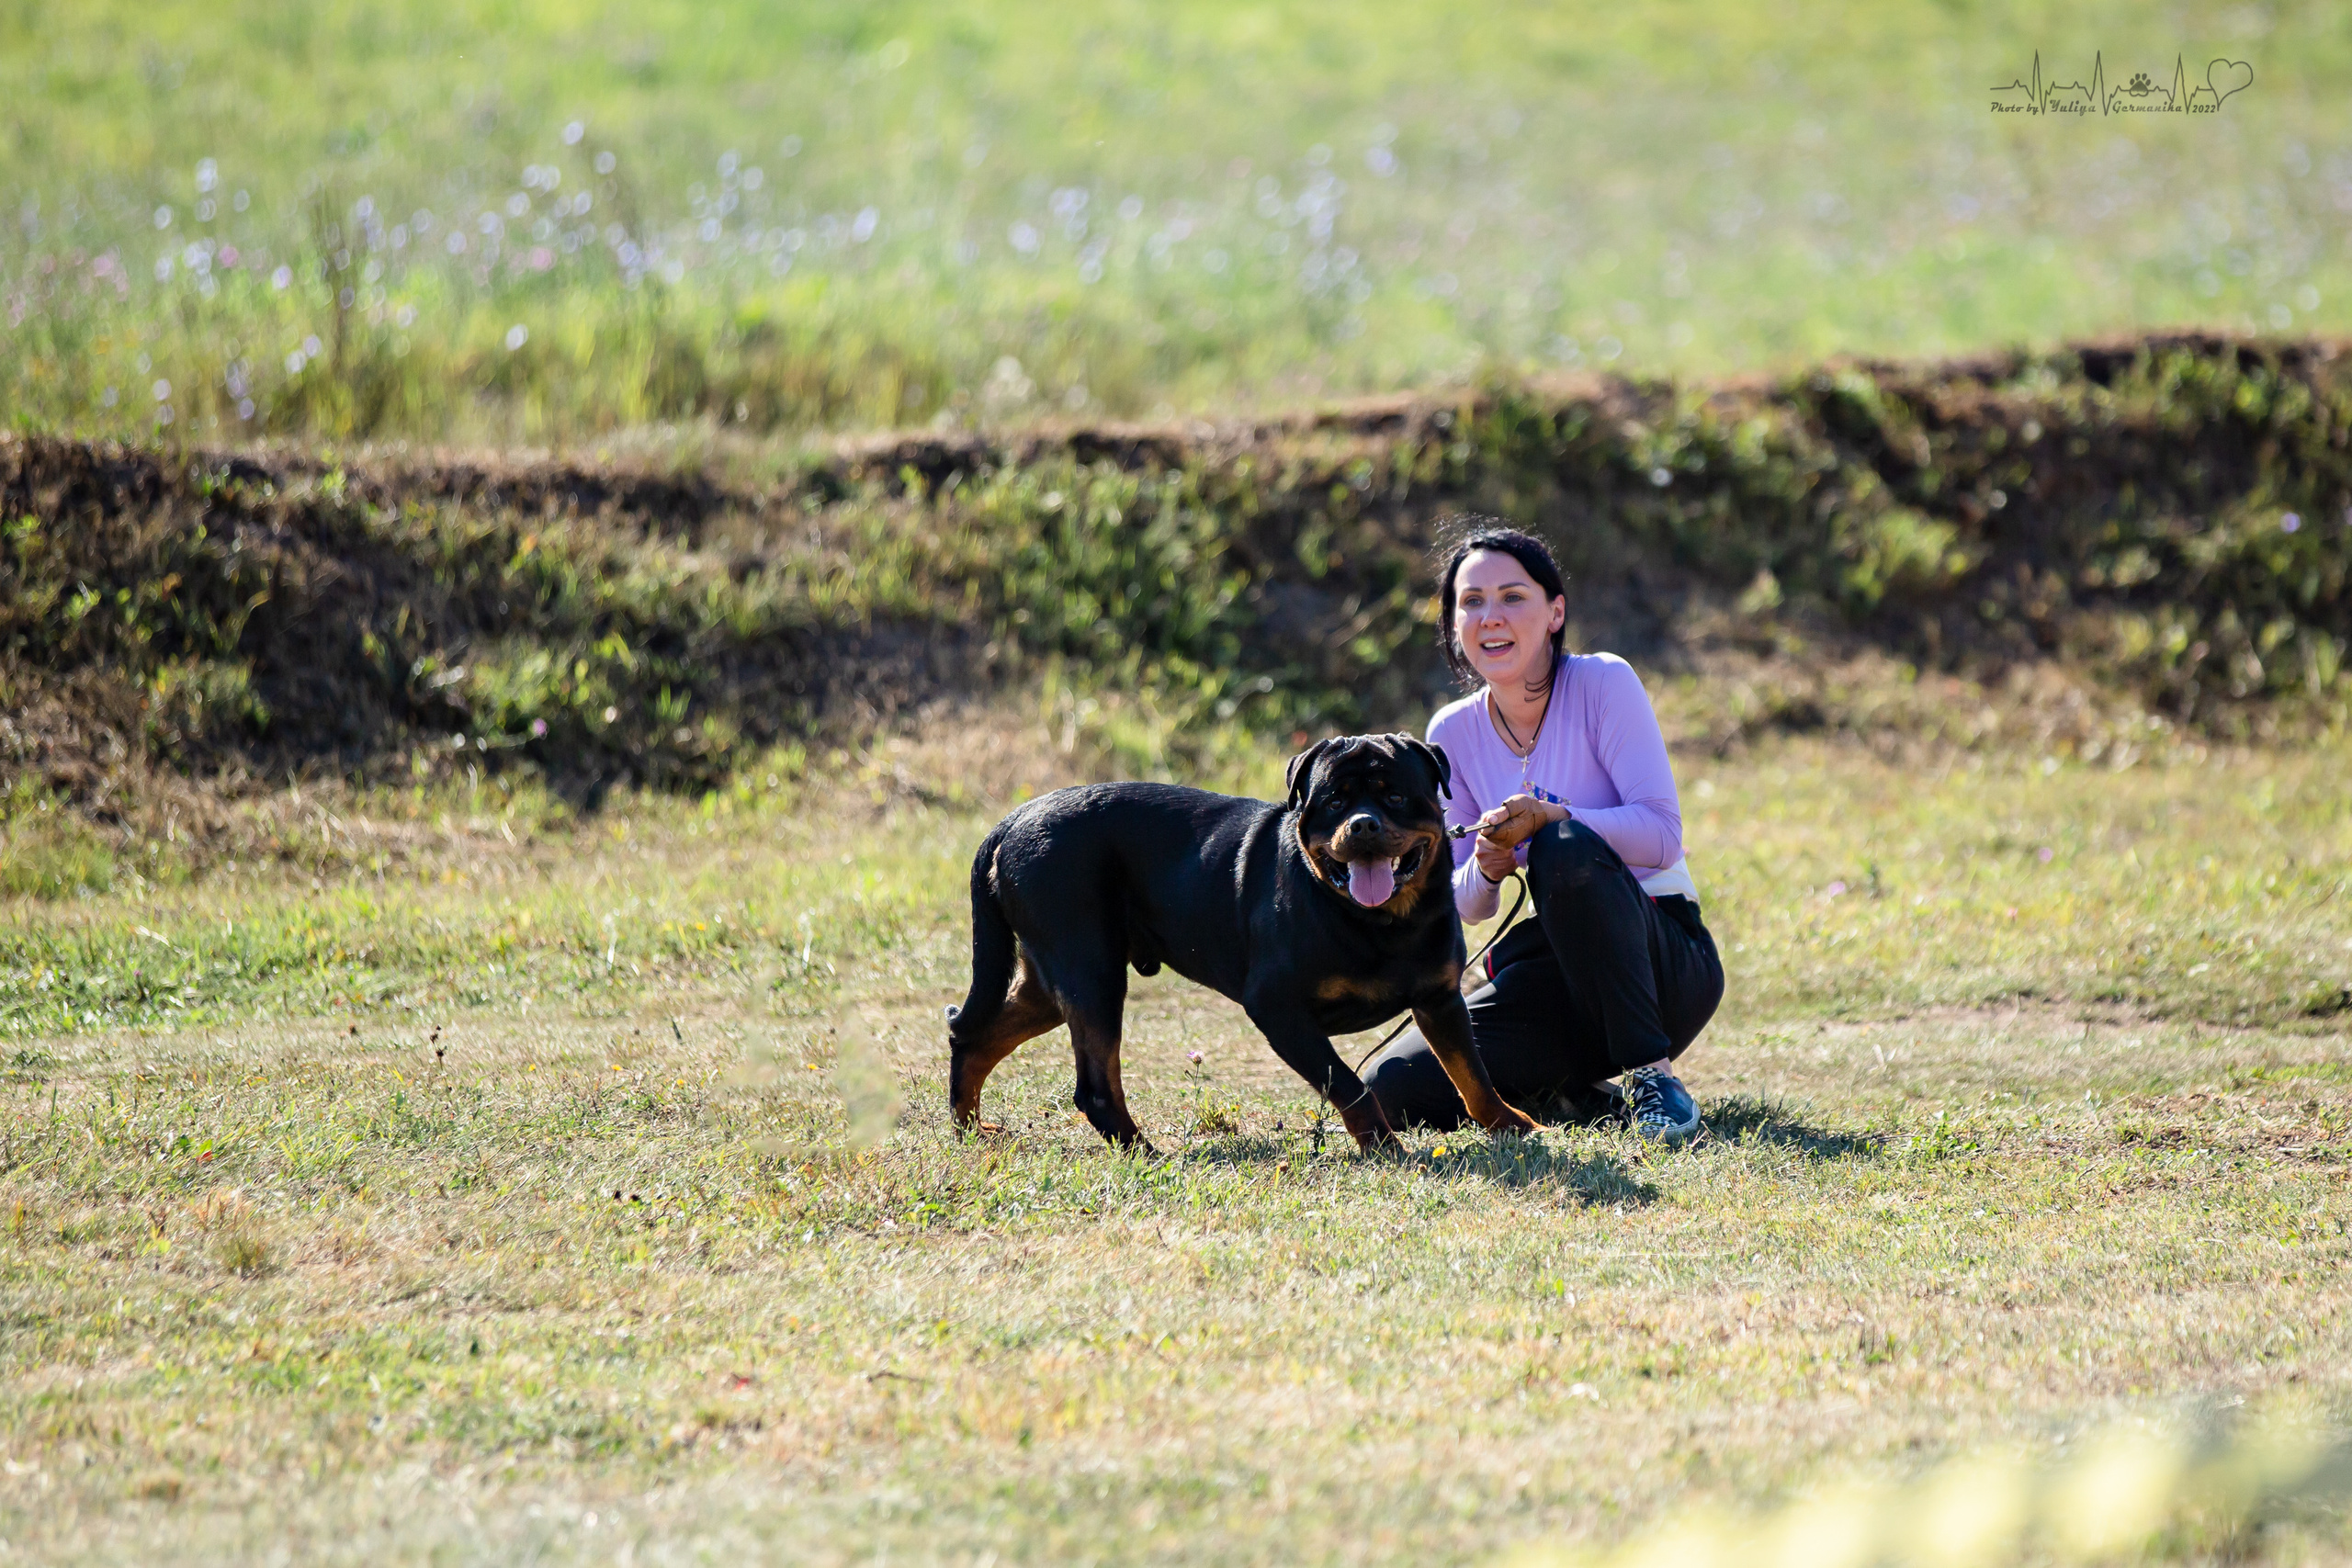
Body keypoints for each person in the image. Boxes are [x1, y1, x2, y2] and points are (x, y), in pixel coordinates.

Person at [1360, 522, 1724, 1143]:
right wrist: (1490, 862)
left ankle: (1653, 1077)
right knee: (1391, 1083)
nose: (1489, 616)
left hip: (1664, 961)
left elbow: (1662, 834)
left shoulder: (1604, 683)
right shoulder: (1450, 733)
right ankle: (1576, 1092)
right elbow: (1466, 904)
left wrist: (1553, 818)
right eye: (1471, 601)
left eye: (1512, 596)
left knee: (1563, 851)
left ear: (1555, 612)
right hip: (1553, 974)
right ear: (1453, 624)